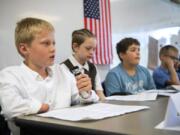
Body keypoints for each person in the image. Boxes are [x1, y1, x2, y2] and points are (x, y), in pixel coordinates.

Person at [0, 17, 99, 135]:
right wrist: (43, 107)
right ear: (24, 49)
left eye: (53, 43)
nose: (53, 49)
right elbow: (11, 108)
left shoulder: (62, 71)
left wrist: (85, 92)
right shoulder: (10, 75)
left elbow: (78, 99)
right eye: (46, 43)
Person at [61, 28, 106, 100]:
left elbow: (100, 93)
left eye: (94, 49)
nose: (92, 52)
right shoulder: (62, 68)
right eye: (88, 48)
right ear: (75, 47)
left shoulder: (92, 67)